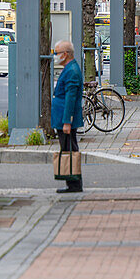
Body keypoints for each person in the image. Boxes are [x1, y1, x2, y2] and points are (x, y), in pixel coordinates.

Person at [50, 41, 84, 192]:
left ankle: (74, 184)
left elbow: (70, 98)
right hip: (63, 117)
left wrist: (67, 122)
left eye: (57, 53)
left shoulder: (71, 71)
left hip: (65, 118)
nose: (56, 56)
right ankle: (72, 182)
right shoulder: (70, 68)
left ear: (65, 54)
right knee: (68, 148)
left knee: (69, 149)